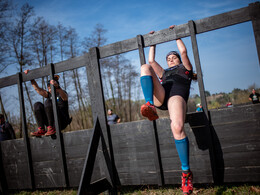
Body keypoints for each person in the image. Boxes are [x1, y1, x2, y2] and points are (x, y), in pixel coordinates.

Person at [140, 25, 195, 194]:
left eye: (173, 57)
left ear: (179, 60)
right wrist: (152, 42)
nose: (171, 59)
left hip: (176, 97)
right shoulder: (164, 72)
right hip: (162, 96)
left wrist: (176, 35)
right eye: (168, 57)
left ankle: (186, 174)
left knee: (177, 127)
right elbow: (151, 62)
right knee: (145, 68)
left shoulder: (185, 70)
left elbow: (184, 52)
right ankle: (150, 105)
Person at [24, 70, 71, 137]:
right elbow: (38, 90)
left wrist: (57, 87)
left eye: (51, 88)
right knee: (37, 105)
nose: (49, 90)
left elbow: (65, 97)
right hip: (51, 120)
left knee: (48, 102)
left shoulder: (61, 92)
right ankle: (42, 129)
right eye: (48, 88)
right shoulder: (49, 95)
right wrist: (31, 78)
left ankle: (52, 128)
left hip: (62, 121)